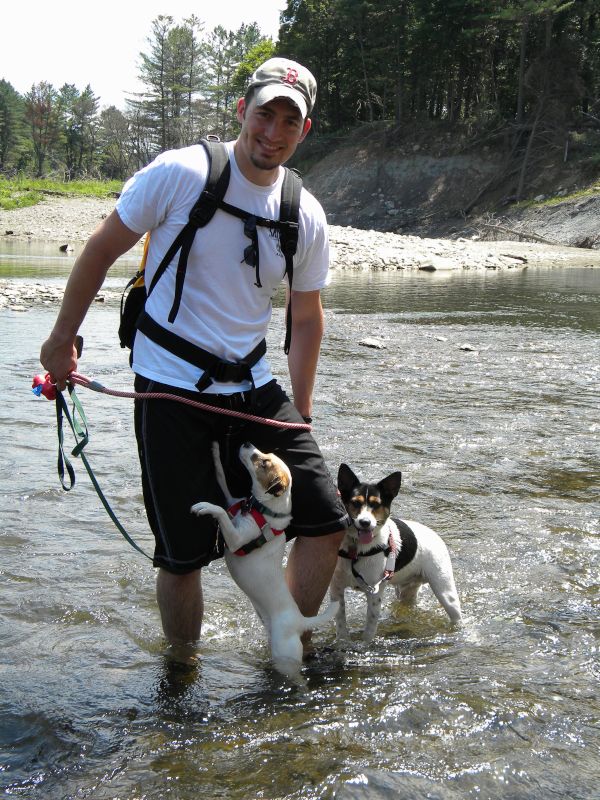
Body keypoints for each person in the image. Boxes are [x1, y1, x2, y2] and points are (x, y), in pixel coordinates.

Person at [39, 57, 348, 652]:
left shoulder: (303, 212)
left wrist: (302, 413)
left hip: (253, 388)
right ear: (242, 110)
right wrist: (62, 339)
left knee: (327, 521)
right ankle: (181, 673)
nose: (273, 132)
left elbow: (306, 317)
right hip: (168, 386)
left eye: (289, 121)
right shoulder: (181, 173)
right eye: (265, 114)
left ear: (304, 130)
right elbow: (100, 250)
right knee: (182, 556)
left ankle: (286, 640)